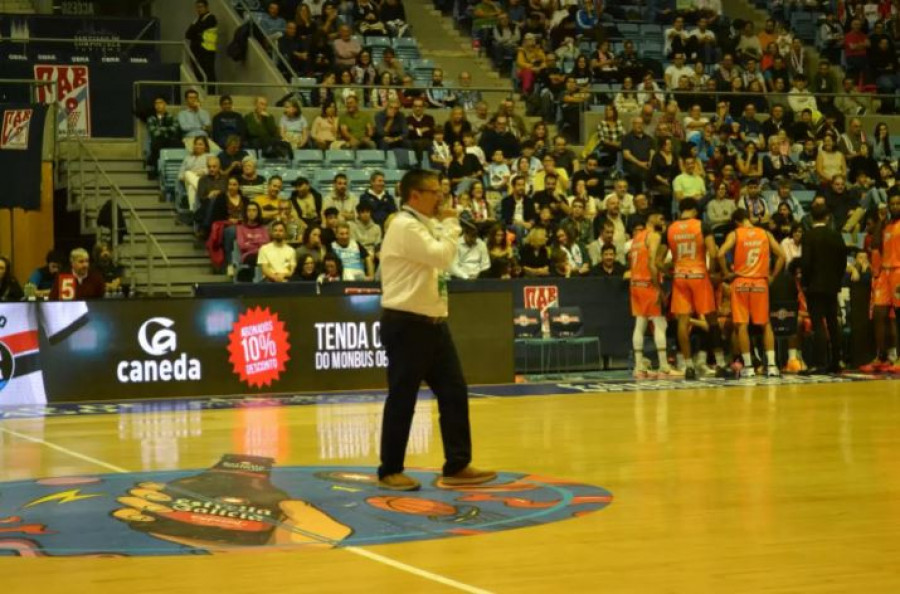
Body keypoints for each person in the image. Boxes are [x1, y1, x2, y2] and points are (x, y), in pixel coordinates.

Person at [376, 169, 496, 491]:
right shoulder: (405, 226)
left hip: (433, 324)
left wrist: (444, 224)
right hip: (406, 324)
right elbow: (442, 256)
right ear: (414, 195)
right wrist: (453, 223)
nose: (440, 197)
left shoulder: (425, 225)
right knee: (403, 398)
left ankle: (457, 465)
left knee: (454, 392)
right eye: (433, 191)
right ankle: (390, 469)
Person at [659, 198, 727, 379]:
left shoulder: (670, 228)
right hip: (699, 275)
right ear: (695, 211)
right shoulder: (702, 226)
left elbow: (658, 261)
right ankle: (720, 364)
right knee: (712, 320)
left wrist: (670, 273)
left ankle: (688, 367)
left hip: (680, 277)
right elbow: (713, 253)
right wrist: (711, 272)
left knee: (683, 321)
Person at [717, 208, 786, 378]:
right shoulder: (764, 233)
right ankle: (771, 365)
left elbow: (719, 254)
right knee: (765, 324)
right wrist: (772, 276)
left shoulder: (735, 234)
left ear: (736, 222)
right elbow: (782, 256)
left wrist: (727, 273)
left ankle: (748, 367)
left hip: (740, 282)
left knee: (742, 325)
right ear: (748, 218)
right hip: (760, 283)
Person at [799, 202, 849, 373]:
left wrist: (805, 283)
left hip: (814, 285)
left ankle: (819, 363)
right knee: (833, 323)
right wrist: (837, 279)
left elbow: (805, 263)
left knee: (818, 323)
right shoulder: (836, 235)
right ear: (827, 218)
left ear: (811, 218)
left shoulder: (808, 236)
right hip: (832, 285)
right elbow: (843, 261)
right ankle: (836, 361)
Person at [629, 211, 672, 377]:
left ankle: (639, 366)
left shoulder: (636, 238)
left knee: (640, 324)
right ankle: (664, 365)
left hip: (635, 284)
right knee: (660, 323)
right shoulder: (653, 235)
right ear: (651, 218)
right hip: (648, 284)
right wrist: (658, 288)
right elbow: (652, 262)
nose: (662, 220)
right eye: (660, 217)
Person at [863, 195, 900, 372]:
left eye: (897, 203)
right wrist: (881, 220)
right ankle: (881, 356)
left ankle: (898, 357)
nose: (894, 206)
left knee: (898, 317)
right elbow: (876, 243)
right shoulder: (887, 225)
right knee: (878, 312)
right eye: (892, 203)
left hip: (898, 271)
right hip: (885, 272)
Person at [145, 96, 182, 179]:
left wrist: (161, 129)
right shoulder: (151, 118)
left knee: (178, 143)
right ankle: (156, 171)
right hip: (157, 142)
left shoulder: (172, 117)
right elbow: (154, 132)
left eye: (160, 103)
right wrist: (167, 130)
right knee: (157, 143)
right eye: (156, 103)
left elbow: (175, 129)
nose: (158, 105)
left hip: (169, 141)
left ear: (165, 104)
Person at [185, 0, 218, 88]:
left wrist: (195, 30)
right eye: (197, 7)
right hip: (196, 51)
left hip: (207, 50)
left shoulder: (211, 18)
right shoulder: (197, 19)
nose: (199, 9)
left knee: (208, 73)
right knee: (198, 73)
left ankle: (211, 93)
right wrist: (196, 30)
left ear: (206, 7)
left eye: (201, 7)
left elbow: (198, 29)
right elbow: (188, 34)